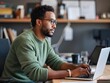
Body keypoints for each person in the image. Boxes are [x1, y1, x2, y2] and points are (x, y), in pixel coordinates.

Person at [2, 5, 91, 83]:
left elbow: (56, 63)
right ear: (39, 22)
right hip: (14, 81)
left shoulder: (45, 41)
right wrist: (71, 73)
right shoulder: (25, 41)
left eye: (55, 22)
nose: (54, 26)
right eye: (51, 21)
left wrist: (76, 67)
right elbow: (35, 73)